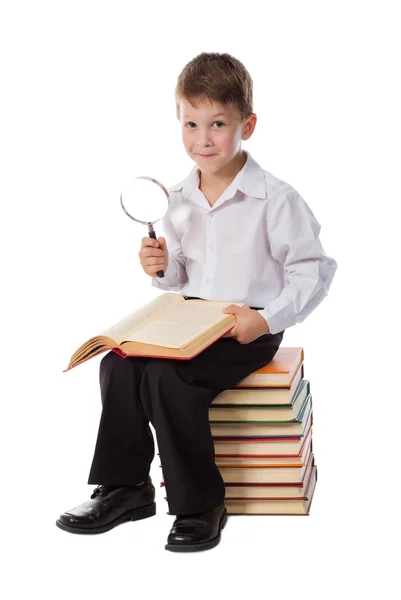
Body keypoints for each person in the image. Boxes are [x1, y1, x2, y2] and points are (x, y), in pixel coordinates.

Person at [56, 52, 337, 552]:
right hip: (189, 320)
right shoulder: (179, 197)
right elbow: (182, 275)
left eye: (218, 124)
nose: (202, 139)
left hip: (245, 329)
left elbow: (312, 270)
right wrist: (162, 266)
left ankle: (202, 504)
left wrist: (264, 318)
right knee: (119, 366)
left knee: (167, 378)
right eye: (190, 123)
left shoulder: (276, 199)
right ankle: (126, 488)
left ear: (246, 125)